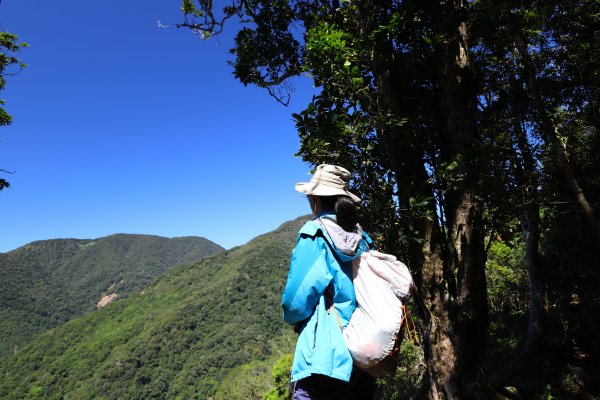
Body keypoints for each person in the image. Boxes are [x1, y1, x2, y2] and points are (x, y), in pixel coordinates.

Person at [281, 164, 376, 400]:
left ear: (315, 199)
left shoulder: (314, 235)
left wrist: (291, 318)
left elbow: (295, 302)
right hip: (363, 352)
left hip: (325, 357)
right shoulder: (363, 238)